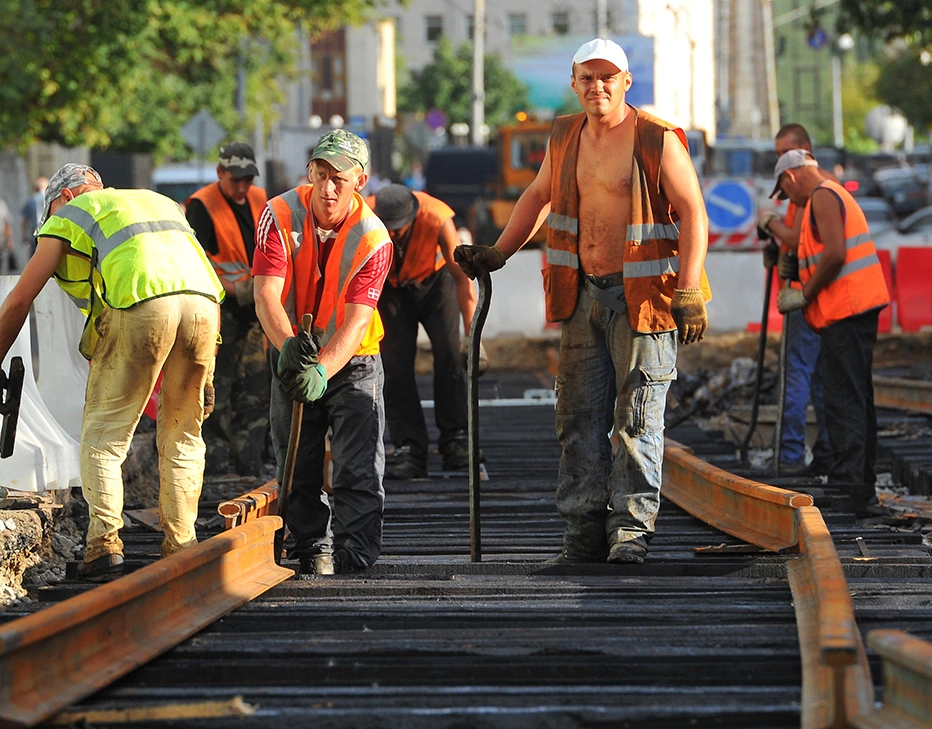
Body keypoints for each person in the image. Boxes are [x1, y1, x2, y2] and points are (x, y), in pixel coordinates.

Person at [453, 38, 711, 564]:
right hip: (581, 296)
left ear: (625, 82)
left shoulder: (655, 139)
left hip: (643, 301)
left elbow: (693, 212)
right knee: (577, 420)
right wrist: (499, 251)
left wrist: (687, 289)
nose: (598, 87)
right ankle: (583, 534)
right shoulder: (565, 136)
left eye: (607, 78)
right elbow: (538, 196)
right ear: (574, 84)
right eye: (587, 78)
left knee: (637, 420)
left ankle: (631, 534)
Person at [0, 164, 223, 581]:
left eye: (50, 210)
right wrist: (208, 376)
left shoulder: (73, 213)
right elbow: (186, 277)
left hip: (141, 303)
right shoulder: (156, 202)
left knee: (103, 438)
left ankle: (104, 544)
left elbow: (20, 301)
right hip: (205, 310)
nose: (52, 221)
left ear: (66, 197)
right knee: (183, 435)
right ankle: (182, 547)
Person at [252, 129, 393, 575]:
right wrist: (289, 348)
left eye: (340, 178)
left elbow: (355, 321)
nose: (328, 189)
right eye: (321, 174)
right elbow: (266, 295)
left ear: (360, 181)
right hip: (292, 352)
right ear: (309, 172)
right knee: (297, 461)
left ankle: (355, 553)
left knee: (357, 465)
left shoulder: (374, 239)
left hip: (354, 363)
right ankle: (313, 545)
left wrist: (324, 369)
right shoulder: (278, 214)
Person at [770, 150, 890, 517]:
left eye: (785, 194)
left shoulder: (823, 195)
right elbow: (823, 254)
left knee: (843, 403)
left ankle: (849, 491)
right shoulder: (829, 196)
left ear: (790, 179)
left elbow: (836, 254)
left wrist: (804, 293)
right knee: (854, 399)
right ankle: (860, 490)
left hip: (847, 311)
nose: (789, 201)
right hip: (852, 311)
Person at [366, 184, 477, 478]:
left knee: (449, 358)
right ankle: (409, 447)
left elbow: (462, 278)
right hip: (392, 291)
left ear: (412, 218)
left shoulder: (437, 218)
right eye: (387, 228)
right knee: (395, 366)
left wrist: (473, 335)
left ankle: (456, 440)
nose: (392, 234)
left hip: (436, 284)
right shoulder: (363, 215)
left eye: (398, 229)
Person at [185, 142, 271, 477]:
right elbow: (198, 261)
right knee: (216, 388)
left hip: (254, 310)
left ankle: (250, 463)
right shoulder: (202, 206)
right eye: (235, 179)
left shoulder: (261, 200)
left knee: (254, 387)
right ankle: (217, 466)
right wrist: (236, 289)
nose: (242, 186)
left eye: (247, 178)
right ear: (220, 172)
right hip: (219, 311)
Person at [757, 124, 833, 475]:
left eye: (783, 153)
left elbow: (799, 239)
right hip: (817, 293)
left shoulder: (812, 190)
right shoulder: (816, 188)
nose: (779, 164)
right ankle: (829, 451)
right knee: (819, 376)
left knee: (797, 374)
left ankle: (788, 457)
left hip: (808, 293)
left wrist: (771, 223)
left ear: (803, 149)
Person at [19, 176, 49, 254]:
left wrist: (24, 235)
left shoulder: (30, 201)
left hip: (35, 230)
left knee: (35, 253)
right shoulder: (50, 199)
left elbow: (25, 220)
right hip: (48, 229)